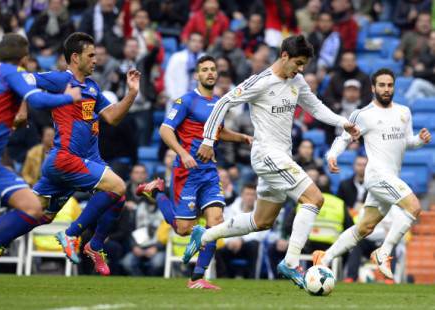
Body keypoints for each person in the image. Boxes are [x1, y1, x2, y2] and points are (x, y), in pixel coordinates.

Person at [182, 35, 360, 289]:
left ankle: (205, 234)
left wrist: (343, 122)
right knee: (314, 199)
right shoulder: (262, 81)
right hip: (266, 154)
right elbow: (223, 102)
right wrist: (208, 140)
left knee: (261, 221)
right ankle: (291, 262)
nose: (300, 69)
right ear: (284, 56)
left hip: (281, 156)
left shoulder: (296, 80)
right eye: (298, 63)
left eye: (304, 65)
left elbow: (316, 108)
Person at [0, 32, 140, 277]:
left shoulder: (92, 86)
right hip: (67, 159)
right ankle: (73, 235)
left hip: (82, 161)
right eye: (90, 55)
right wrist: (22, 109)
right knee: (117, 188)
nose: (95, 60)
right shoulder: (60, 80)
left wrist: (131, 93)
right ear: (75, 57)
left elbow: (112, 117)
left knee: (38, 213)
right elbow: (23, 80)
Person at [136, 55, 253, 289]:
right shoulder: (186, 101)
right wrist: (183, 153)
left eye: (213, 69)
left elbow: (219, 132)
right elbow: (165, 129)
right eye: (205, 70)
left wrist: (243, 138)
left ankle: (197, 278)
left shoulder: (220, 103)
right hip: (187, 171)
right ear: (197, 75)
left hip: (209, 171)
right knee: (183, 230)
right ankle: (157, 192)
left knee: (216, 223)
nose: (210, 73)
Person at [313, 68, 432, 281]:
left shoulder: (404, 112)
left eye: (390, 85)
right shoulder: (364, 114)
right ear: (373, 88)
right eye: (382, 85)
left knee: (364, 227)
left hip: (391, 177)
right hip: (377, 175)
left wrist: (419, 140)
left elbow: (406, 143)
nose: (386, 89)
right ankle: (383, 252)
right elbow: (343, 138)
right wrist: (332, 155)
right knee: (414, 207)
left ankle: (324, 258)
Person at [0, 33, 82, 287]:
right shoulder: (10, 73)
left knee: (31, 207)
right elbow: (37, 99)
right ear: (25, 58)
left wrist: (10, 120)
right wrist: (68, 97)